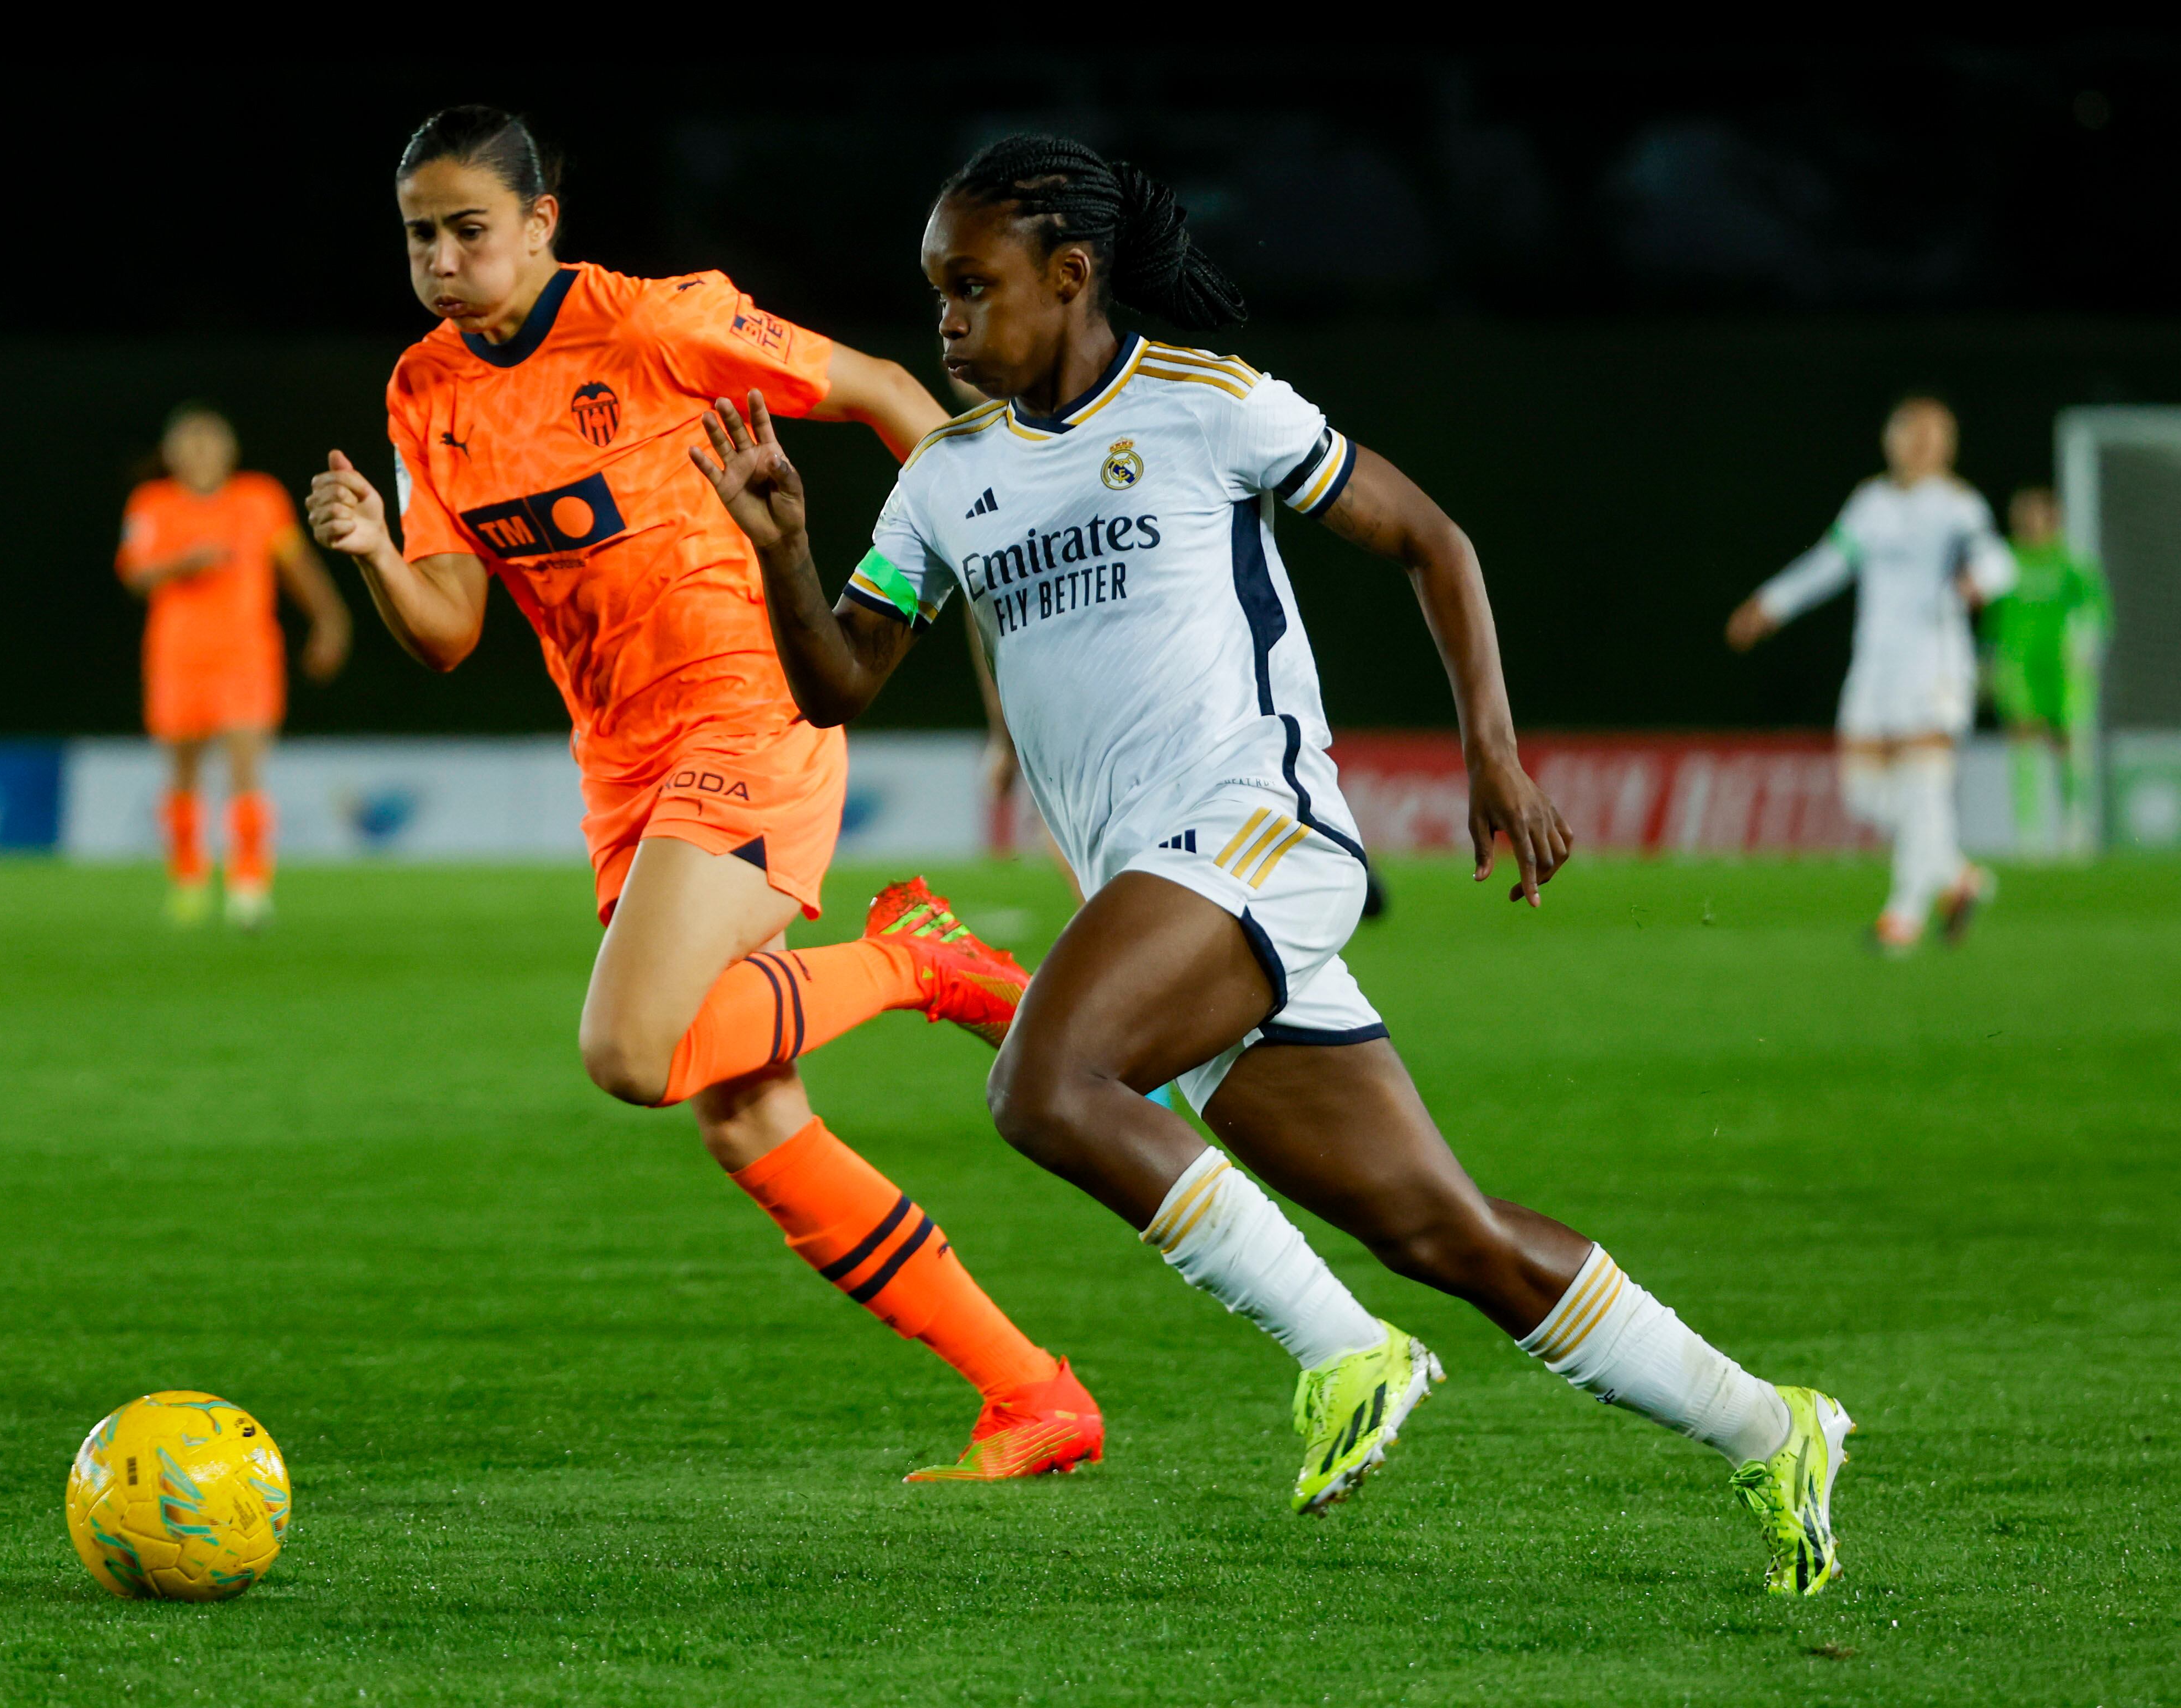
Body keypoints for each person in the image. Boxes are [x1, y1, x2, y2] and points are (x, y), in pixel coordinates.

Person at [693, 134, 1852, 1595]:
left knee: (1045, 1085)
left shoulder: (1206, 407)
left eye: (973, 289)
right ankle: (1774, 1428)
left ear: (1071, 278)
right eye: (934, 294)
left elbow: (1433, 539)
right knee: (1452, 1233)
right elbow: (838, 682)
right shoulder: (945, 481)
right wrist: (786, 548)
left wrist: (1491, 752)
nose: (945, 322)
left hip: (1261, 835)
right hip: (1162, 898)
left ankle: (1348, 1351)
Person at [303, 107, 1100, 1480]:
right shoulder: (423, 391)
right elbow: (446, 628)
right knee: (747, 1114)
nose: (440, 259)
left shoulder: (660, 324)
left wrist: (979, 582)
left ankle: (917, 962)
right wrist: (378, 551)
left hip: (749, 703)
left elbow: (889, 394)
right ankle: (1032, 1394)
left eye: (468, 229)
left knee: (629, 1049)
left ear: (542, 223)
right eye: (419, 236)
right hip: (621, 758)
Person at [1727, 397, 2016, 951]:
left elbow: (1996, 557)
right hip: (1875, 668)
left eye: (1933, 435)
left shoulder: (1957, 506)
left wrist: (1980, 580)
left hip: (1934, 665)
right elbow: (1830, 562)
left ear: (1948, 446)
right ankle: (1957, 877)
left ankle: (1902, 917)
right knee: (1865, 793)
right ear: (1891, 439)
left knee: (1923, 788)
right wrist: (1772, 602)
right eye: (1911, 432)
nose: (1921, 444)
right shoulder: (1872, 503)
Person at [117, 404, 350, 927]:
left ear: (229, 451)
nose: (200, 452)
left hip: (246, 656)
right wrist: (184, 563)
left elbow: (294, 564)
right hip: (177, 659)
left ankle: (249, 885)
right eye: (189, 443)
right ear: (171, 455)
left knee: (246, 767)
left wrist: (330, 619)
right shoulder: (152, 504)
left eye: (209, 441)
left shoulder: (259, 499)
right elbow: (134, 575)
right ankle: (189, 880)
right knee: (182, 775)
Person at [1985, 486, 2111, 859]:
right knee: (2023, 741)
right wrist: (1989, 661)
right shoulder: (2005, 561)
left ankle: (2076, 826)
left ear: (2053, 519)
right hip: (2018, 665)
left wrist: (2086, 645)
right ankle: (2030, 835)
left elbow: (2097, 609)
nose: (2031, 523)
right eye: (2024, 516)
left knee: (2071, 744)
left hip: (2064, 667)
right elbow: (1992, 618)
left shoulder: (2073, 562)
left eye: (2038, 515)